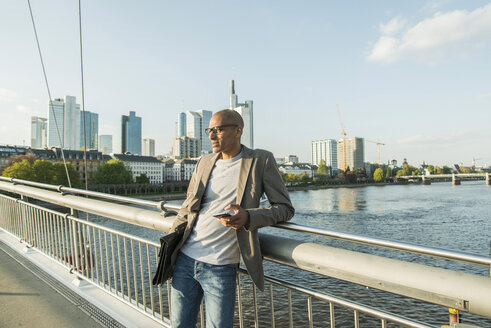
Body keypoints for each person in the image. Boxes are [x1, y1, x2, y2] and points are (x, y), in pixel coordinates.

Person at [168, 109, 294, 327]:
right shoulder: (204, 162)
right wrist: (169, 250)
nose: (211, 136)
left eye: (217, 130)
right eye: (210, 130)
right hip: (185, 259)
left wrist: (248, 217)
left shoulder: (260, 160)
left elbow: (285, 208)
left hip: (220, 266)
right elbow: (187, 208)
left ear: (238, 131)